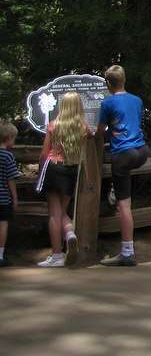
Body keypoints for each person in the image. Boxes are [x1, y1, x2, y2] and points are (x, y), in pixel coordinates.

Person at [96, 64, 149, 267]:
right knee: (122, 181)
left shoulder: (108, 103)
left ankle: (127, 253)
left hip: (123, 155)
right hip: (142, 151)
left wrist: (92, 134)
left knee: (123, 205)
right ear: (124, 80)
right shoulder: (137, 100)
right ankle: (114, 189)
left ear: (108, 83)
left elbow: (101, 130)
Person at [37, 93, 91, 268]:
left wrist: (40, 171)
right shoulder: (82, 127)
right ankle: (69, 234)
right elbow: (91, 136)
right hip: (71, 170)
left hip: (54, 167)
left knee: (54, 213)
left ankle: (57, 255)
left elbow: (44, 154)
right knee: (62, 210)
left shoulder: (54, 126)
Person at [0, 122, 20, 268]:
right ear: (8, 138)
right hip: (3, 198)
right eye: (14, 139)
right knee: (3, 224)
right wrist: (15, 198)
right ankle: (0, 255)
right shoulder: (8, 156)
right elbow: (11, 179)